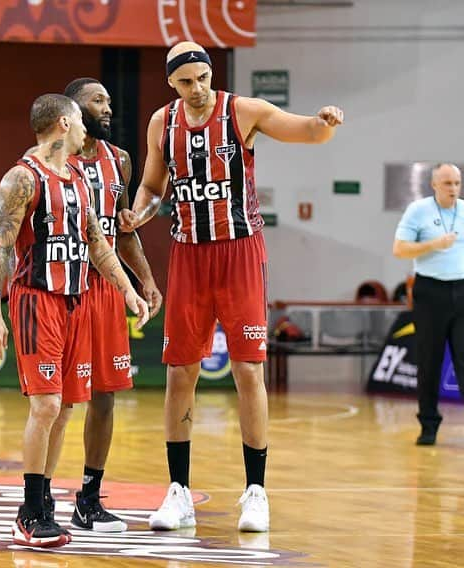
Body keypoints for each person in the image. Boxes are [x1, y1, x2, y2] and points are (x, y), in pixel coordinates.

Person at [118, 41, 344, 533]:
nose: (196, 88)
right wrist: (140, 213)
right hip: (190, 254)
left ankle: (256, 492)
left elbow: (304, 131)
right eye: (185, 81)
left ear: (210, 75)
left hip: (240, 252)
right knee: (181, 373)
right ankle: (178, 493)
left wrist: (323, 122)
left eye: (202, 78)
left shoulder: (242, 111)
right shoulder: (163, 123)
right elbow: (154, 188)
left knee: (248, 371)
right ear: (171, 83)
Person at [0, 94, 150, 548]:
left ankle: (46, 501)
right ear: (62, 124)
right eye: (78, 122)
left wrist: (128, 288)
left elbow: (96, 241)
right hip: (37, 300)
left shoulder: (77, 177)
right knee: (47, 406)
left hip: (75, 300)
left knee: (66, 407)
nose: (84, 130)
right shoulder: (22, 178)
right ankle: (29, 512)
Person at [59, 77, 163, 533]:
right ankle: (38, 496)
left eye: (108, 98)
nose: (109, 107)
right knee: (58, 403)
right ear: (73, 111)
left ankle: (88, 496)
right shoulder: (49, 158)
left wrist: (145, 279)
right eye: (97, 101)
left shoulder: (119, 160)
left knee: (106, 396)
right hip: (63, 285)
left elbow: (122, 228)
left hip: (107, 288)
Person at [392, 163, 464, 448]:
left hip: (463, 290)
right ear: (434, 185)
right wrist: (433, 244)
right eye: (447, 183)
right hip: (430, 291)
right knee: (429, 362)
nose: (453, 189)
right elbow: (399, 249)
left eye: (456, 183)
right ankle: (428, 426)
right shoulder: (418, 211)